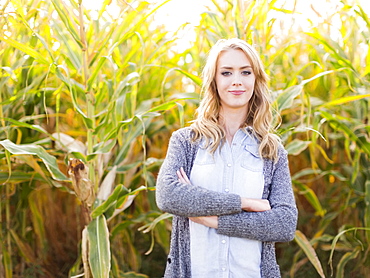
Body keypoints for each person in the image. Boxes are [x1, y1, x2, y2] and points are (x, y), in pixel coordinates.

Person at [156, 38, 298, 278]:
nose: (236, 81)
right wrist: (246, 203)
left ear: (256, 79)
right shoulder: (186, 142)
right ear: (214, 80)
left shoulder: (271, 151)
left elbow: (284, 224)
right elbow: (168, 196)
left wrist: (212, 220)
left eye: (245, 72)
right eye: (226, 72)